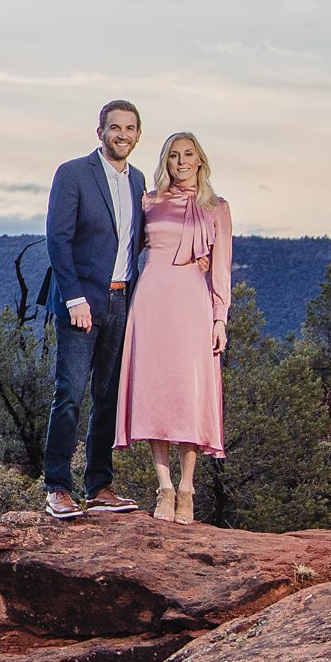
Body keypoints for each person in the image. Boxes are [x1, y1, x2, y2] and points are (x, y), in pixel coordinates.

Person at [41, 99, 149, 519]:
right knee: (69, 393)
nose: (122, 135)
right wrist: (74, 298)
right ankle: (57, 488)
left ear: (139, 135)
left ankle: (100, 487)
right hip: (81, 301)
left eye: (130, 128)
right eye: (115, 127)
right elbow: (57, 239)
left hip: (123, 299)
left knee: (108, 396)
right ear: (100, 131)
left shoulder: (139, 181)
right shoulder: (73, 174)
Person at [117, 131, 232, 522]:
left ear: (200, 160)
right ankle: (164, 488)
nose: (181, 161)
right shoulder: (148, 202)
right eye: (173, 156)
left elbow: (222, 270)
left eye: (188, 154)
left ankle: (187, 489)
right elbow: (128, 249)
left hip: (192, 304)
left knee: (188, 393)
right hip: (151, 300)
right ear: (165, 162)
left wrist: (220, 318)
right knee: (156, 392)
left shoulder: (217, 207)